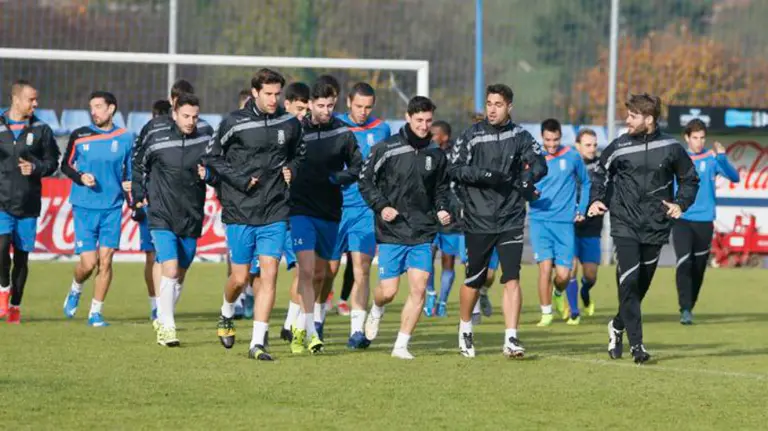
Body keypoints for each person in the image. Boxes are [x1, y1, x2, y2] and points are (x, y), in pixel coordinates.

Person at [588, 93, 699, 364]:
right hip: (624, 223)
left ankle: (617, 325)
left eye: (633, 116)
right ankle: (637, 346)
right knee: (628, 282)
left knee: (641, 285)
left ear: (648, 119)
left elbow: (690, 179)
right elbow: (600, 173)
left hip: (656, 226)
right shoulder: (619, 146)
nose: (627, 120)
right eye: (628, 115)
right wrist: (597, 199)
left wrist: (681, 204)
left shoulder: (671, 147)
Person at [205, 68, 304, 361]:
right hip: (240, 209)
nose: (274, 100)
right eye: (269, 94)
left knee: (270, 275)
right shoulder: (233, 123)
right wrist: (238, 179)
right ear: (255, 93)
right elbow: (211, 158)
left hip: (275, 209)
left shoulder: (290, 123)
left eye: (278, 94)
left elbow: (300, 154)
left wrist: (293, 170)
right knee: (240, 277)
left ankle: (258, 342)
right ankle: (226, 311)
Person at [449, 84, 547, 359]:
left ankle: (511, 338)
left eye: (498, 104)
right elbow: (455, 169)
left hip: (511, 217)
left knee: (512, 278)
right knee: (475, 278)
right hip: (478, 217)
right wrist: (486, 175)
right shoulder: (471, 136)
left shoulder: (521, 136)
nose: (492, 109)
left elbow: (540, 162)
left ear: (509, 107)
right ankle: (465, 328)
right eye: (489, 103)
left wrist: (529, 178)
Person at [360, 96, 452, 360]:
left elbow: (442, 189)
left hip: (423, 231)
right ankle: (376, 309)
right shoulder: (386, 148)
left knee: (419, 286)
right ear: (408, 118)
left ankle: (401, 345)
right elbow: (366, 182)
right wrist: (381, 206)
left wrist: (443, 208)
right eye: (420, 120)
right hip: (392, 230)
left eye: (428, 121)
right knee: (388, 291)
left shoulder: (436, 154)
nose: (424, 126)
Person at [132, 93, 215, 346]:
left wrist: (209, 173)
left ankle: (163, 314)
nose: (191, 121)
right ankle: (167, 326)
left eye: (195, 117)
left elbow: (219, 169)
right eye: (186, 116)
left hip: (190, 215)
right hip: (161, 214)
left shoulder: (205, 137)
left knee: (179, 273)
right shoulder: (157, 138)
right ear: (174, 114)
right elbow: (139, 166)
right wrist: (138, 194)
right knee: (168, 267)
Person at [289, 79, 362, 354]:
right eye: (320, 105)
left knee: (322, 273)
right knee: (306, 270)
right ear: (310, 104)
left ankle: (299, 325)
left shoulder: (343, 132)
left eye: (330, 105)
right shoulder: (295, 129)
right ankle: (310, 331)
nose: (326, 110)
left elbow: (357, 167)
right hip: (300, 209)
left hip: (330, 210)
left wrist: (337, 178)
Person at [324, 82, 391, 346]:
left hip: (365, 208)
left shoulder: (382, 129)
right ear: (348, 102)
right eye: (358, 106)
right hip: (334, 207)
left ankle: (356, 331)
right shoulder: (334, 124)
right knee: (327, 271)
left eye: (368, 107)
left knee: (361, 268)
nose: (363, 112)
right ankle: (316, 320)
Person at [60, 91, 134, 327]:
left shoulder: (126, 138)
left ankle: (95, 312)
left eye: (99, 106)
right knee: (88, 264)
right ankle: (75, 288)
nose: (94, 111)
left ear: (111, 109)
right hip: (84, 207)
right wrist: (81, 177)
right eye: (91, 107)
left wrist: (130, 186)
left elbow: (130, 172)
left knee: (106, 261)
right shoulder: (79, 136)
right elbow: (66, 165)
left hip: (112, 208)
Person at [0, 80, 60, 323]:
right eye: (31, 99)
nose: (35, 104)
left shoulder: (42, 130)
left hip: (28, 204)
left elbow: (53, 162)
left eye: (36, 100)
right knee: (1, 247)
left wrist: (35, 167)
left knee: (22, 259)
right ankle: (4, 290)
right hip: (1, 201)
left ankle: (15, 305)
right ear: (16, 99)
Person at [673, 119, 739, 325]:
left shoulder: (712, 159)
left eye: (702, 138)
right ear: (686, 138)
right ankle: (684, 308)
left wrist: (722, 157)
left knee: (698, 267)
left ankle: (689, 305)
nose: (699, 142)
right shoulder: (677, 158)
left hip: (705, 221)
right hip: (682, 219)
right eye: (695, 138)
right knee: (684, 263)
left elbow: (735, 177)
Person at [529, 119, 590, 327]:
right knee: (544, 269)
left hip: (564, 223)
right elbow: (523, 183)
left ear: (560, 137)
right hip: (539, 220)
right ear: (542, 137)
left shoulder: (572, 157)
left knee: (564, 275)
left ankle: (557, 292)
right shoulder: (534, 157)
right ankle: (546, 313)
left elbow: (587, 182)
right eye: (548, 140)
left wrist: (581, 209)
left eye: (555, 139)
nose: (552, 144)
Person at [425, 120, 461, 318]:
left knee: (448, 261)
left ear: (444, 137)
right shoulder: (426, 152)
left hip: (451, 218)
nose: (430, 136)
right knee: (426, 257)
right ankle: (430, 293)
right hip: (429, 216)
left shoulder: (456, 155)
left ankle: (443, 302)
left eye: (434, 134)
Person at [572, 128, 602, 318]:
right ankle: (574, 311)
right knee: (570, 269)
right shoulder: (570, 165)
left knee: (590, 275)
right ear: (578, 146)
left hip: (592, 227)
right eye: (588, 145)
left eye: (594, 145)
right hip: (570, 226)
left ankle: (585, 291)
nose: (592, 149)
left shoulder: (601, 168)